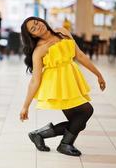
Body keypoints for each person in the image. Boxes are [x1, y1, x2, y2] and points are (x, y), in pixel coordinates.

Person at [19, 16, 106, 156]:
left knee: (78, 122)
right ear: (32, 35)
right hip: (59, 86)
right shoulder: (39, 50)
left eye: (37, 22)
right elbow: (35, 80)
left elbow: (80, 55)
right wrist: (25, 106)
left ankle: (39, 135)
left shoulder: (62, 32)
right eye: (33, 29)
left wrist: (98, 75)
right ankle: (65, 144)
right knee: (86, 111)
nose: (38, 26)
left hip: (72, 80)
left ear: (41, 20)